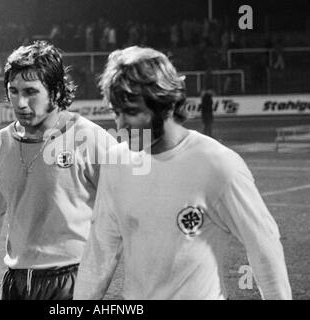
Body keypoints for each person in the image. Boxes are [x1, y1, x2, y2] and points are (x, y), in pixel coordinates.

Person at [73, 46, 292, 300]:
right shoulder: (115, 163)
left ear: (164, 105)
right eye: (115, 112)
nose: (119, 125)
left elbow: (264, 248)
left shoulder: (218, 165)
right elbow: (99, 253)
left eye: (131, 112)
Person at [0, 41, 117, 300]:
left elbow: (129, 215)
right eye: (13, 91)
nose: (20, 102)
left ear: (56, 90)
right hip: (15, 284)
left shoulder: (91, 139)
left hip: (72, 283)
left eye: (30, 91)